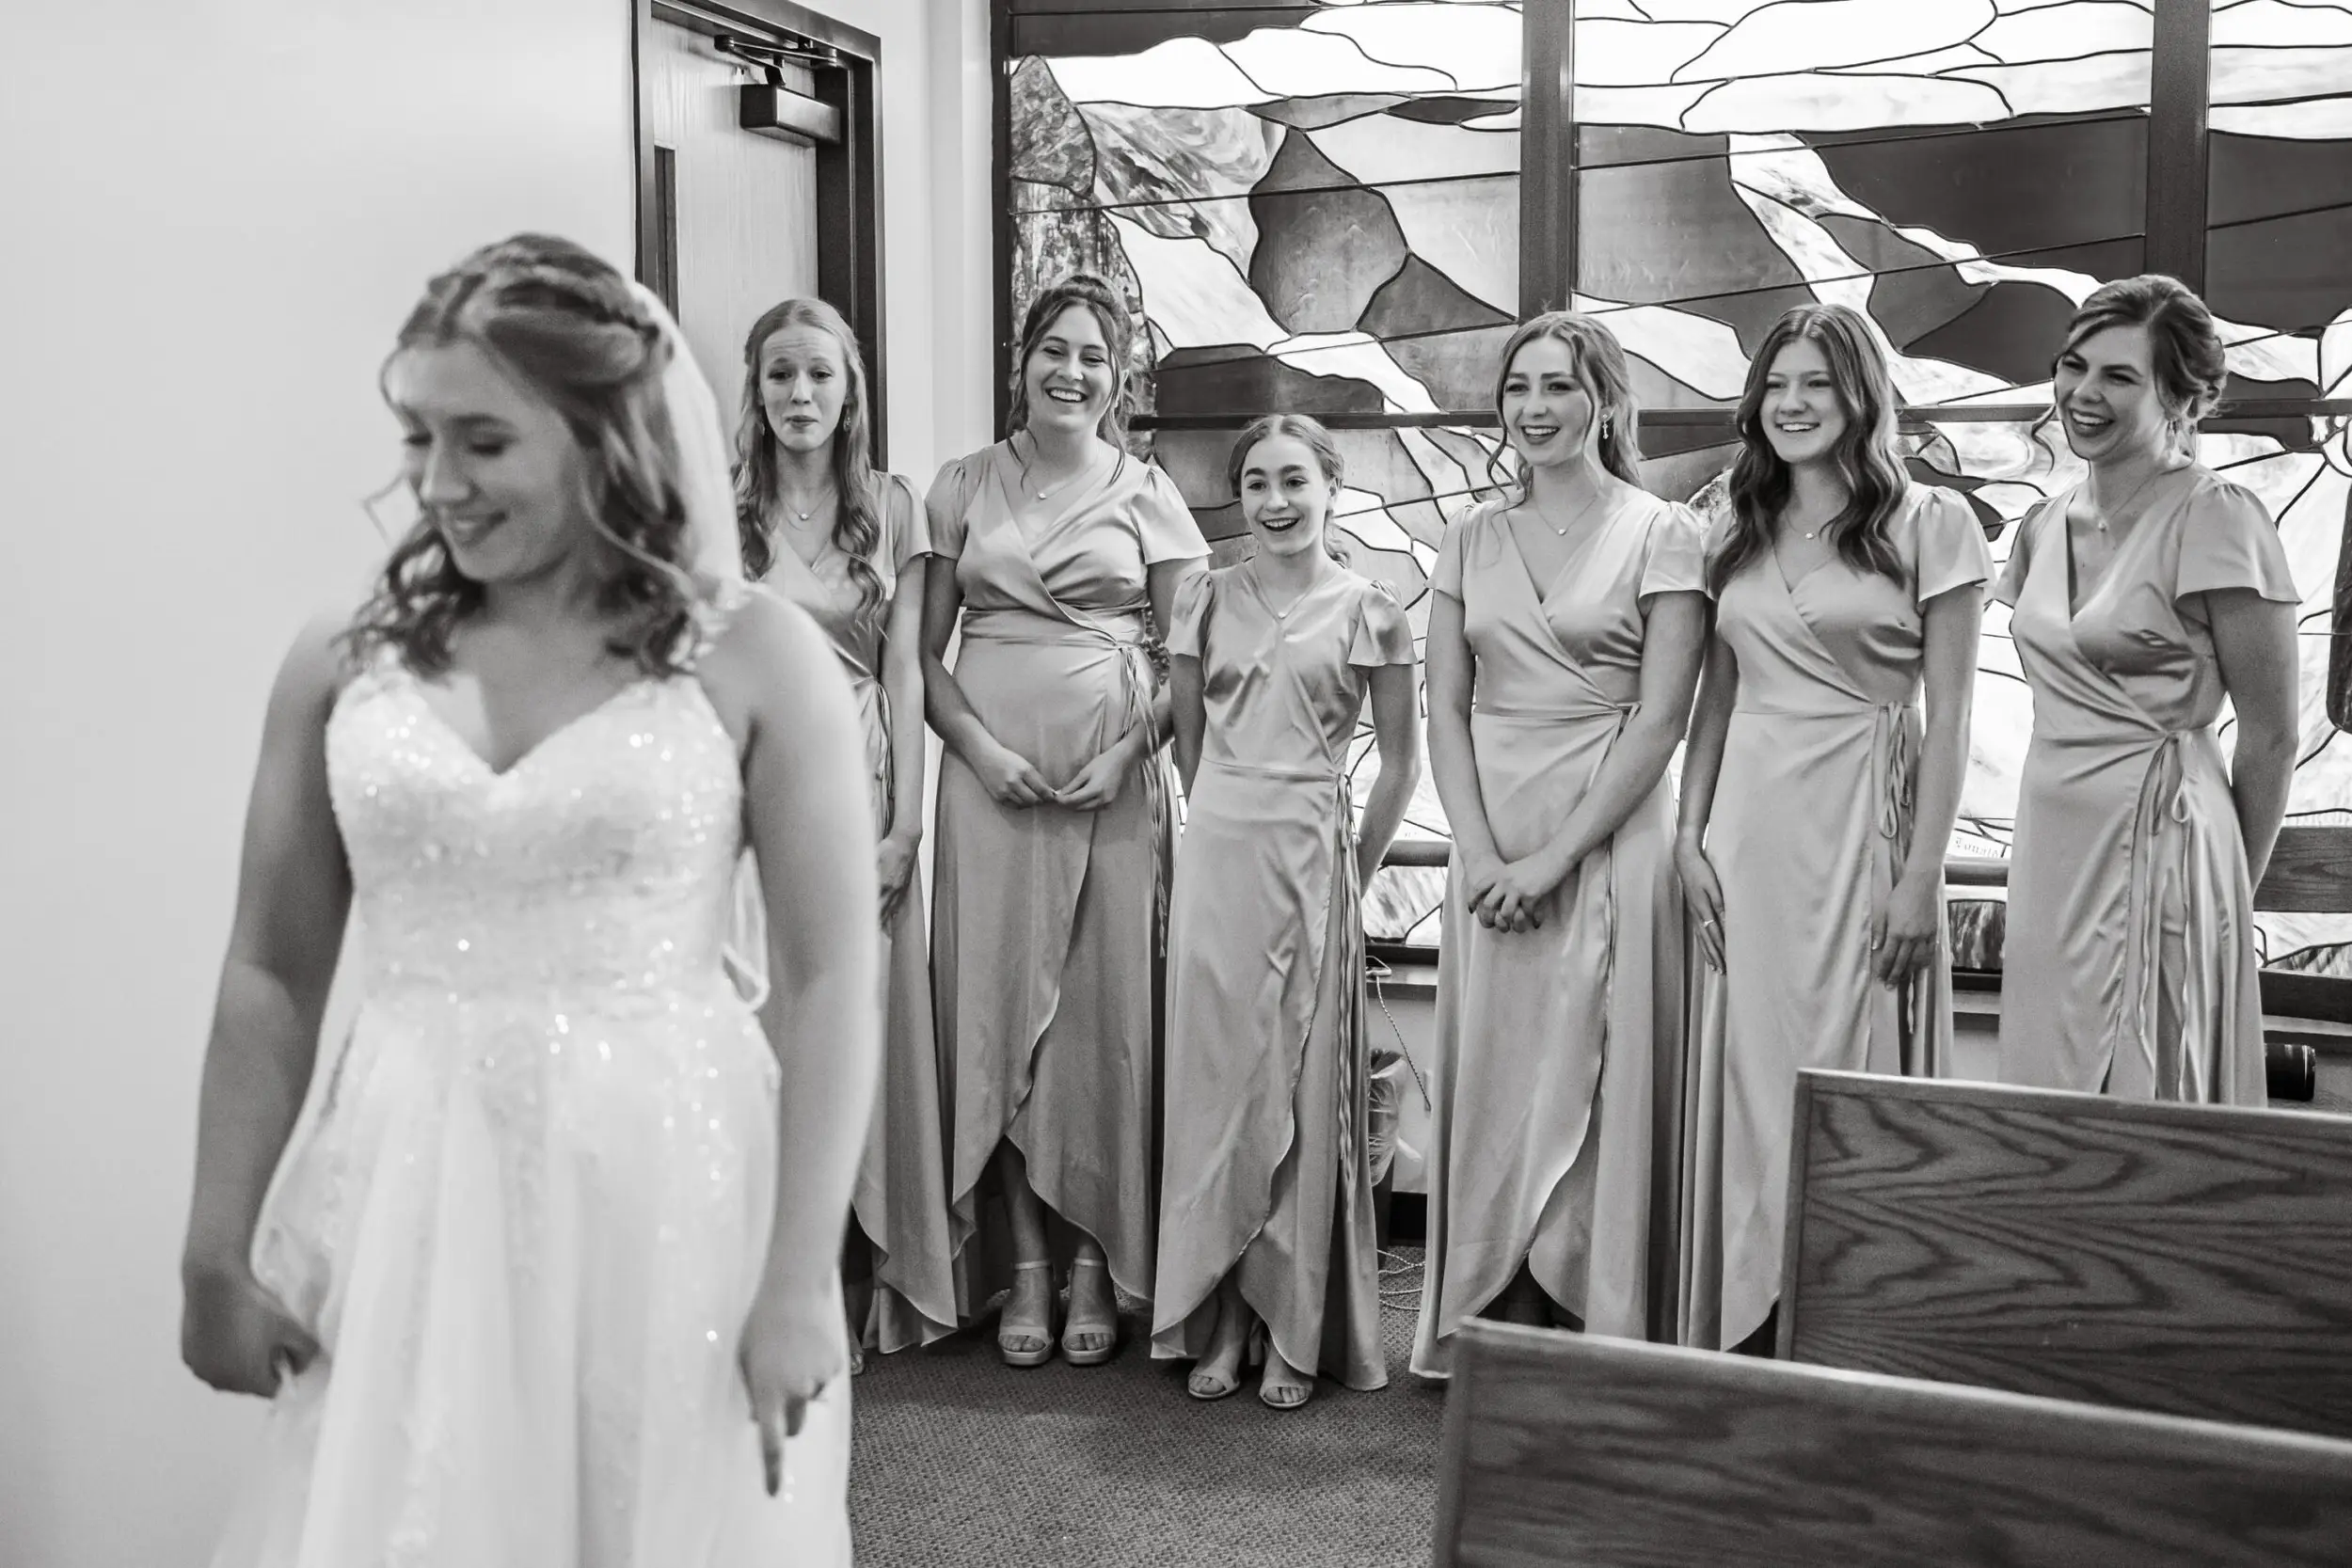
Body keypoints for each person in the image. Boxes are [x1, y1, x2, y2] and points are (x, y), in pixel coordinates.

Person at [178, 234, 878, 1565]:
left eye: (483, 441)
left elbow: (833, 971)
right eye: (418, 437)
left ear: (602, 434)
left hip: (663, 1172)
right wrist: (213, 1246)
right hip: (402, 1178)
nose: (437, 482)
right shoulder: (344, 660)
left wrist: (800, 1274)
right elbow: (269, 970)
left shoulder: (752, 653)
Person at [1675, 303, 1991, 1355]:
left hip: (1866, 808)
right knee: (1750, 1068)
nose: (1793, 403)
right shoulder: (1732, 520)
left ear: (1863, 395)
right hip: (1748, 829)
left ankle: (1855, 1330)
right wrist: (1688, 837)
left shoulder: (1930, 522)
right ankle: (1745, 1326)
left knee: (1848, 1066)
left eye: (1817, 382)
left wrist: (1920, 876)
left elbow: (1951, 718)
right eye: (1777, 384)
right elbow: (1710, 700)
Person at [1411, 311, 1708, 1378]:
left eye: (1558, 386)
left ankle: (1594, 1316)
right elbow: (1444, 706)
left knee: (1602, 1059)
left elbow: (1663, 715)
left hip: (1612, 827)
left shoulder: (1663, 531)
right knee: (1499, 1071)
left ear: (1606, 399)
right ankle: (1498, 1301)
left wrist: (1555, 858)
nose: (1535, 407)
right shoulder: (1467, 540)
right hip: (1491, 829)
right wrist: (1484, 852)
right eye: (1519, 387)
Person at [922, 275, 1209, 1367]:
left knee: (1104, 1021)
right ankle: (1024, 1262)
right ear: (1022, 360)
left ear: (1117, 373)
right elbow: (925, 656)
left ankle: (1097, 1256)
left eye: (1093, 355)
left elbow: (1193, 658)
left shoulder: (1148, 493)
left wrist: (1130, 754)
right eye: (1054, 349)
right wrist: (979, 751)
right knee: (993, 1014)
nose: (1071, 371)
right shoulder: (960, 486)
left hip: (1113, 781)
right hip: (989, 782)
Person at [1152, 416, 1421, 1410]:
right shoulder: (1202, 600)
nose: (1274, 499)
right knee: (1219, 1092)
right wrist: (1224, 817)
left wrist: (1353, 862)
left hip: (1314, 857)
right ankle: (1218, 1309)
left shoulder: (1372, 607)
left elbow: (1400, 763)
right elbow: (1186, 743)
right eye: (1256, 481)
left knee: (1303, 1100)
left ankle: (1289, 1324)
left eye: (1293, 480)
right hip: (1220, 854)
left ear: (1329, 488)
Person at [1995, 275, 2298, 1103]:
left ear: (2181, 397)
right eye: (2072, 366)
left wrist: (2223, 896)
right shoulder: (2040, 524)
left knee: (2151, 1091)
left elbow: (2272, 737)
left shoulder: (2219, 517)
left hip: (2164, 840)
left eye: (2118, 377)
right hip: (2051, 841)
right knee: (2044, 1090)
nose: (2082, 394)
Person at [735, 296, 957, 1364]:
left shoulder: (895, 507)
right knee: (769, 1013)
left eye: (819, 375)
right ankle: (784, 1270)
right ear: (755, 388)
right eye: (780, 375)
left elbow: (910, 668)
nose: (799, 396)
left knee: (860, 1014)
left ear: (850, 389)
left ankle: (870, 1267)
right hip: (754, 780)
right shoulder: (726, 512)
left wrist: (909, 822)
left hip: (864, 774)